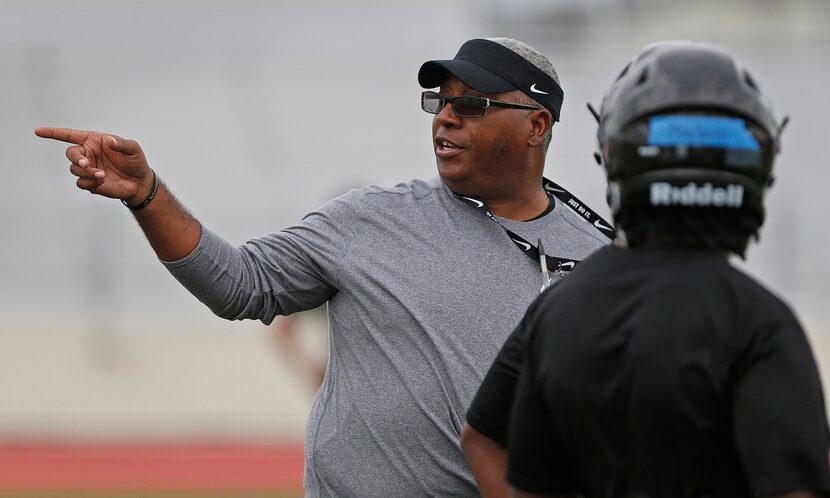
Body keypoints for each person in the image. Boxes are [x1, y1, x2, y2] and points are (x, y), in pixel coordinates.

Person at [35, 37, 612, 496]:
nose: (445, 119)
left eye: (471, 106)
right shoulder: (369, 219)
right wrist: (146, 194)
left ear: (536, 126)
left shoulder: (601, 259)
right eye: (440, 102)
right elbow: (241, 285)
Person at [464, 40, 830, 498]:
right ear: (756, 167)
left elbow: (483, 440)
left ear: (616, 159)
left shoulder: (558, 311)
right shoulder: (759, 323)